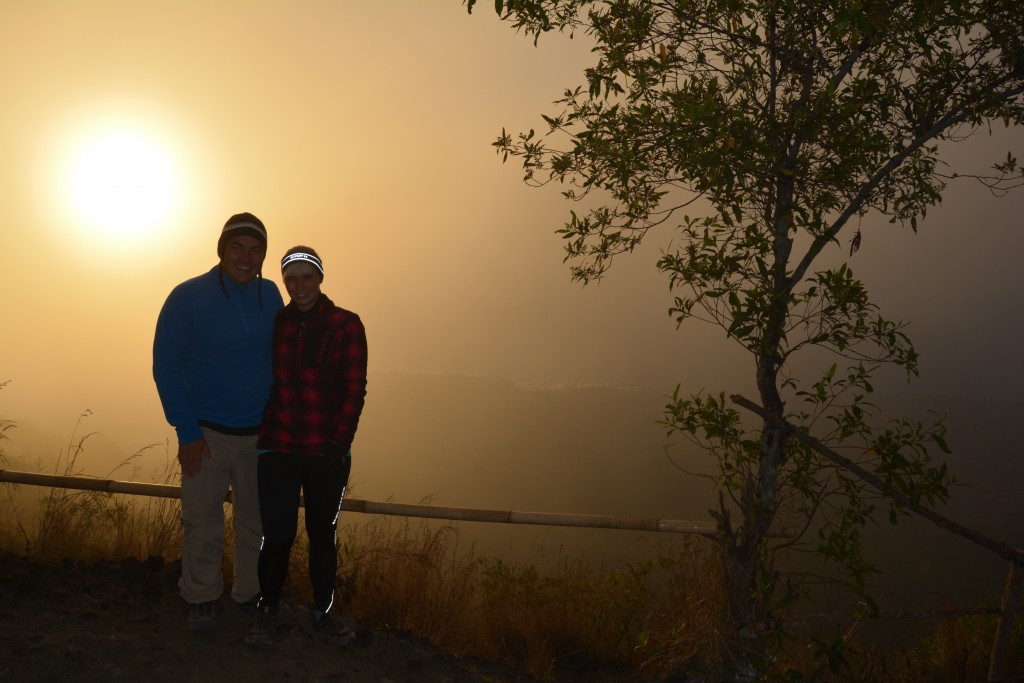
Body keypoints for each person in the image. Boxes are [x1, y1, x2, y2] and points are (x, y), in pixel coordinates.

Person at [153, 212, 285, 632]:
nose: (246, 257)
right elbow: (166, 368)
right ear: (222, 250)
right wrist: (187, 432)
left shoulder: (272, 295)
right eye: (237, 248)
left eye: (255, 249)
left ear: (263, 255)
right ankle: (201, 596)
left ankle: (249, 594)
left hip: (261, 436)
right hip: (206, 434)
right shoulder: (187, 297)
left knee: (255, 522)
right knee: (202, 521)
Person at [245, 245, 368, 646]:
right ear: (284, 282)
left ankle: (321, 613)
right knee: (276, 536)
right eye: (291, 278)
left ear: (320, 278)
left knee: (322, 534)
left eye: (306, 277)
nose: (299, 285)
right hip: (278, 445)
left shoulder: (345, 324)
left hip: (326, 451)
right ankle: (267, 609)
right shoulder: (276, 322)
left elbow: (354, 388)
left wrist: (340, 442)